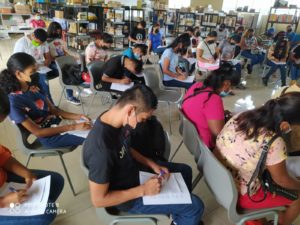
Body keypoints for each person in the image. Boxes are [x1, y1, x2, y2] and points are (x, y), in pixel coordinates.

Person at [83, 85, 204, 225]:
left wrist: (152, 164)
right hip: (129, 197)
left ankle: (179, 215)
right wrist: (143, 190)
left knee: (185, 170)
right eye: (142, 119)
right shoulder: (101, 150)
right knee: (195, 207)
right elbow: (98, 200)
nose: (140, 124)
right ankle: (184, 213)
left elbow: (126, 147)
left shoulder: (113, 119)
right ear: (130, 110)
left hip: (135, 172)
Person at [215, 93, 300, 225]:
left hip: (219, 178)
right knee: (298, 199)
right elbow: (281, 180)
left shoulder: (243, 116)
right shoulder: (274, 142)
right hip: (241, 194)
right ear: (284, 125)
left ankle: (260, 219)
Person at [0, 52, 92, 148]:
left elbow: (54, 110)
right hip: (48, 135)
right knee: (95, 137)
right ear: (19, 74)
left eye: (37, 69)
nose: (36, 73)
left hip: (58, 123)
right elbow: (38, 132)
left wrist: (79, 116)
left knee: (97, 128)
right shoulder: (13, 102)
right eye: (32, 71)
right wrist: (73, 127)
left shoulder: (34, 86)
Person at [0, 89, 64, 225]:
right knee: (47, 211)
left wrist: (26, 173)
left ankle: (27, 217)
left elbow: (3, 157)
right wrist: (4, 202)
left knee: (55, 181)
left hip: (4, 181)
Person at [182, 64, 239, 149]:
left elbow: (199, 109)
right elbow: (218, 135)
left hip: (188, 136)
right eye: (232, 87)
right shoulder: (213, 99)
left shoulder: (197, 85)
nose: (231, 90)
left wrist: (220, 114)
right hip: (204, 146)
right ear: (226, 83)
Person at [13, 28, 54, 103]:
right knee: (43, 83)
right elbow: (16, 61)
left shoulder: (43, 42)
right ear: (33, 36)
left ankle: (49, 103)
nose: (40, 45)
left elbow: (48, 57)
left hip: (40, 67)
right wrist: (31, 68)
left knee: (44, 82)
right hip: (27, 69)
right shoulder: (22, 43)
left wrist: (47, 62)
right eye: (38, 43)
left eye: (42, 43)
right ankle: (50, 104)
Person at [47, 21, 82, 105]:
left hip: (62, 59)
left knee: (78, 65)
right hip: (53, 62)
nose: (58, 32)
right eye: (56, 30)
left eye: (59, 30)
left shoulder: (60, 40)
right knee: (66, 71)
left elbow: (65, 52)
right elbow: (49, 57)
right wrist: (61, 59)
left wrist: (73, 57)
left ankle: (76, 86)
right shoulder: (46, 42)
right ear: (51, 30)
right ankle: (70, 96)